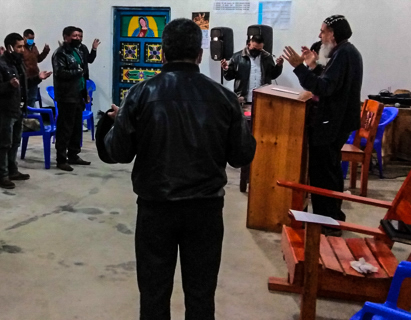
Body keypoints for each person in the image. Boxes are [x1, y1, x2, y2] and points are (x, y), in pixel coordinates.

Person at [98, 18, 256, 319]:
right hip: (206, 210)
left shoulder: (140, 94)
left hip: (155, 209)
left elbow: (118, 152)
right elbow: (241, 155)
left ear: (162, 53)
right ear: (200, 54)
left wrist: (115, 122)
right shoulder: (224, 98)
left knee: (154, 293)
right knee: (201, 294)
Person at [282, 15, 363, 230]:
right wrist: (313, 66)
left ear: (333, 34)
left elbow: (325, 88)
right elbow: (330, 82)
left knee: (324, 174)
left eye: (323, 31)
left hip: (332, 122)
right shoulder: (344, 52)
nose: (320, 36)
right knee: (329, 170)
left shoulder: (343, 54)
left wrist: (299, 67)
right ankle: (331, 217)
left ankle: (326, 222)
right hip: (335, 121)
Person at [0, 33, 51, 189]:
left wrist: (38, 78)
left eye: (23, 46)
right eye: (19, 47)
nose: (22, 49)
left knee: (15, 141)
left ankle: (13, 170)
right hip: (6, 109)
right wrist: (9, 85)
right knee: (4, 143)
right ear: (10, 47)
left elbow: (23, 84)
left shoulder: (19, 63)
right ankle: (2, 175)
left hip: (19, 108)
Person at [52, 26, 90, 171]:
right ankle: (61, 159)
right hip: (66, 95)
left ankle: (73, 154)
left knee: (76, 127)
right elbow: (60, 72)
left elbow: (84, 73)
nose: (78, 38)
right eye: (75, 36)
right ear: (66, 37)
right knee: (65, 128)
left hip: (78, 94)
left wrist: (85, 92)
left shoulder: (78, 51)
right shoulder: (60, 53)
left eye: (80, 36)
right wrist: (77, 71)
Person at [221, 34, 284, 104]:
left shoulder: (267, 57)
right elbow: (229, 77)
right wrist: (226, 69)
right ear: (249, 44)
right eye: (254, 48)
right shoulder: (237, 57)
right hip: (243, 99)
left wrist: (279, 66)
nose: (256, 51)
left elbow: (272, 76)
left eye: (259, 49)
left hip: (262, 99)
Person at [21, 29, 50, 107]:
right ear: (24, 37)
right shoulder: (21, 49)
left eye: (33, 38)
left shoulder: (34, 48)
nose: (31, 40)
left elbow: (38, 59)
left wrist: (45, 52)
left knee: (32, 98)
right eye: (29, 38)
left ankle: (31, 114)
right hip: (25, 78)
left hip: (35, 77)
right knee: (25, 99)